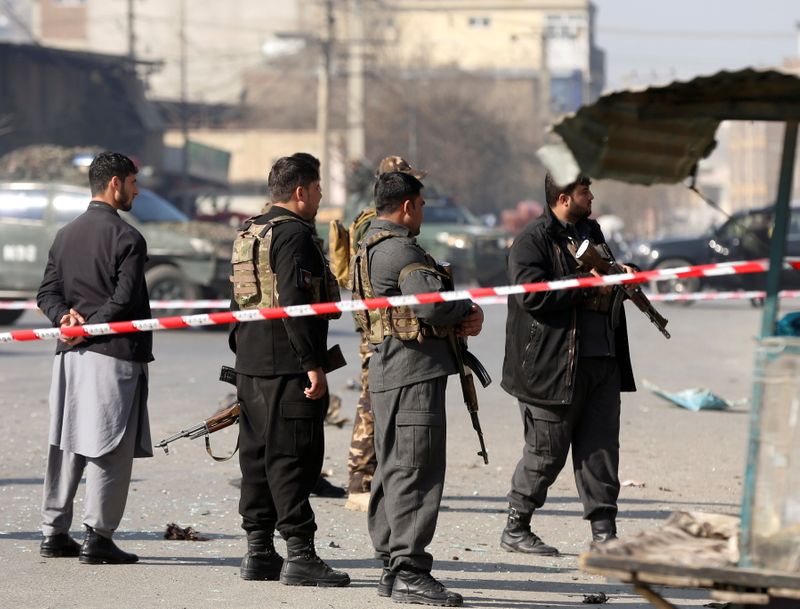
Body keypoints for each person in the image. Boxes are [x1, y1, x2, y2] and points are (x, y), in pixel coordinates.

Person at [352, 171, 484, 605]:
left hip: (390, 371)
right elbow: (429, 306)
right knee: (415, 469)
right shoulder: (400, 250)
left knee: (393, 467)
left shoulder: (367, 244)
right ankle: (409, 569)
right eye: (422, 204)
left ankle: (392, 562)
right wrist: (467, 307)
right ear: (407, 205)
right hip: (412, 373)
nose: (423, 212)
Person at [500, 172, 636, 556]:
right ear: (562, 198)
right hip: (551, 365)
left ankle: (604, 535)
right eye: (584, 191)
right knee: (546, 452)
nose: (591, 197)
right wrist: (584, 283)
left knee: (601, 450)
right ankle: (516, 526)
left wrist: (621, 272)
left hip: (602, 360)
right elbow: (533, 297)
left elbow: (603, 274)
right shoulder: (532, 241)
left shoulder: (591, 231)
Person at [229, 155, 350, 587]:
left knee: (257, 458)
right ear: (300, 191)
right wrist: (312, 365)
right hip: (286, 367)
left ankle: (259, 551)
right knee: (293, 459)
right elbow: (295, 303)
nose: (320, 198)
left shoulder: (251, 230)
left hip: (251, 364)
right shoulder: (295, 235)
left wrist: (244, 355)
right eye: (317, 190)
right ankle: (300, 554)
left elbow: (239, 300)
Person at [36, 151, 153, 564]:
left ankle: (54, 532)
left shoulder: (65, 234)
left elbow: (46, 293)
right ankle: (98, 537)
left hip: (68, 356)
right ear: (115, 183)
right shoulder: (128, 239)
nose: (136, 191)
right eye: (133, 183)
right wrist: (92, 325)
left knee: (67, 441)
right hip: (112, 354)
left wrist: (65, 320)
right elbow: (123, 299)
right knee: (110, 445)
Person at [345, 155, 427, 513]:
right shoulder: (373, 226)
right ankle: (362, 480)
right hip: (381, 329)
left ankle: (373, 478)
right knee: (371, 407)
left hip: (385, 326)